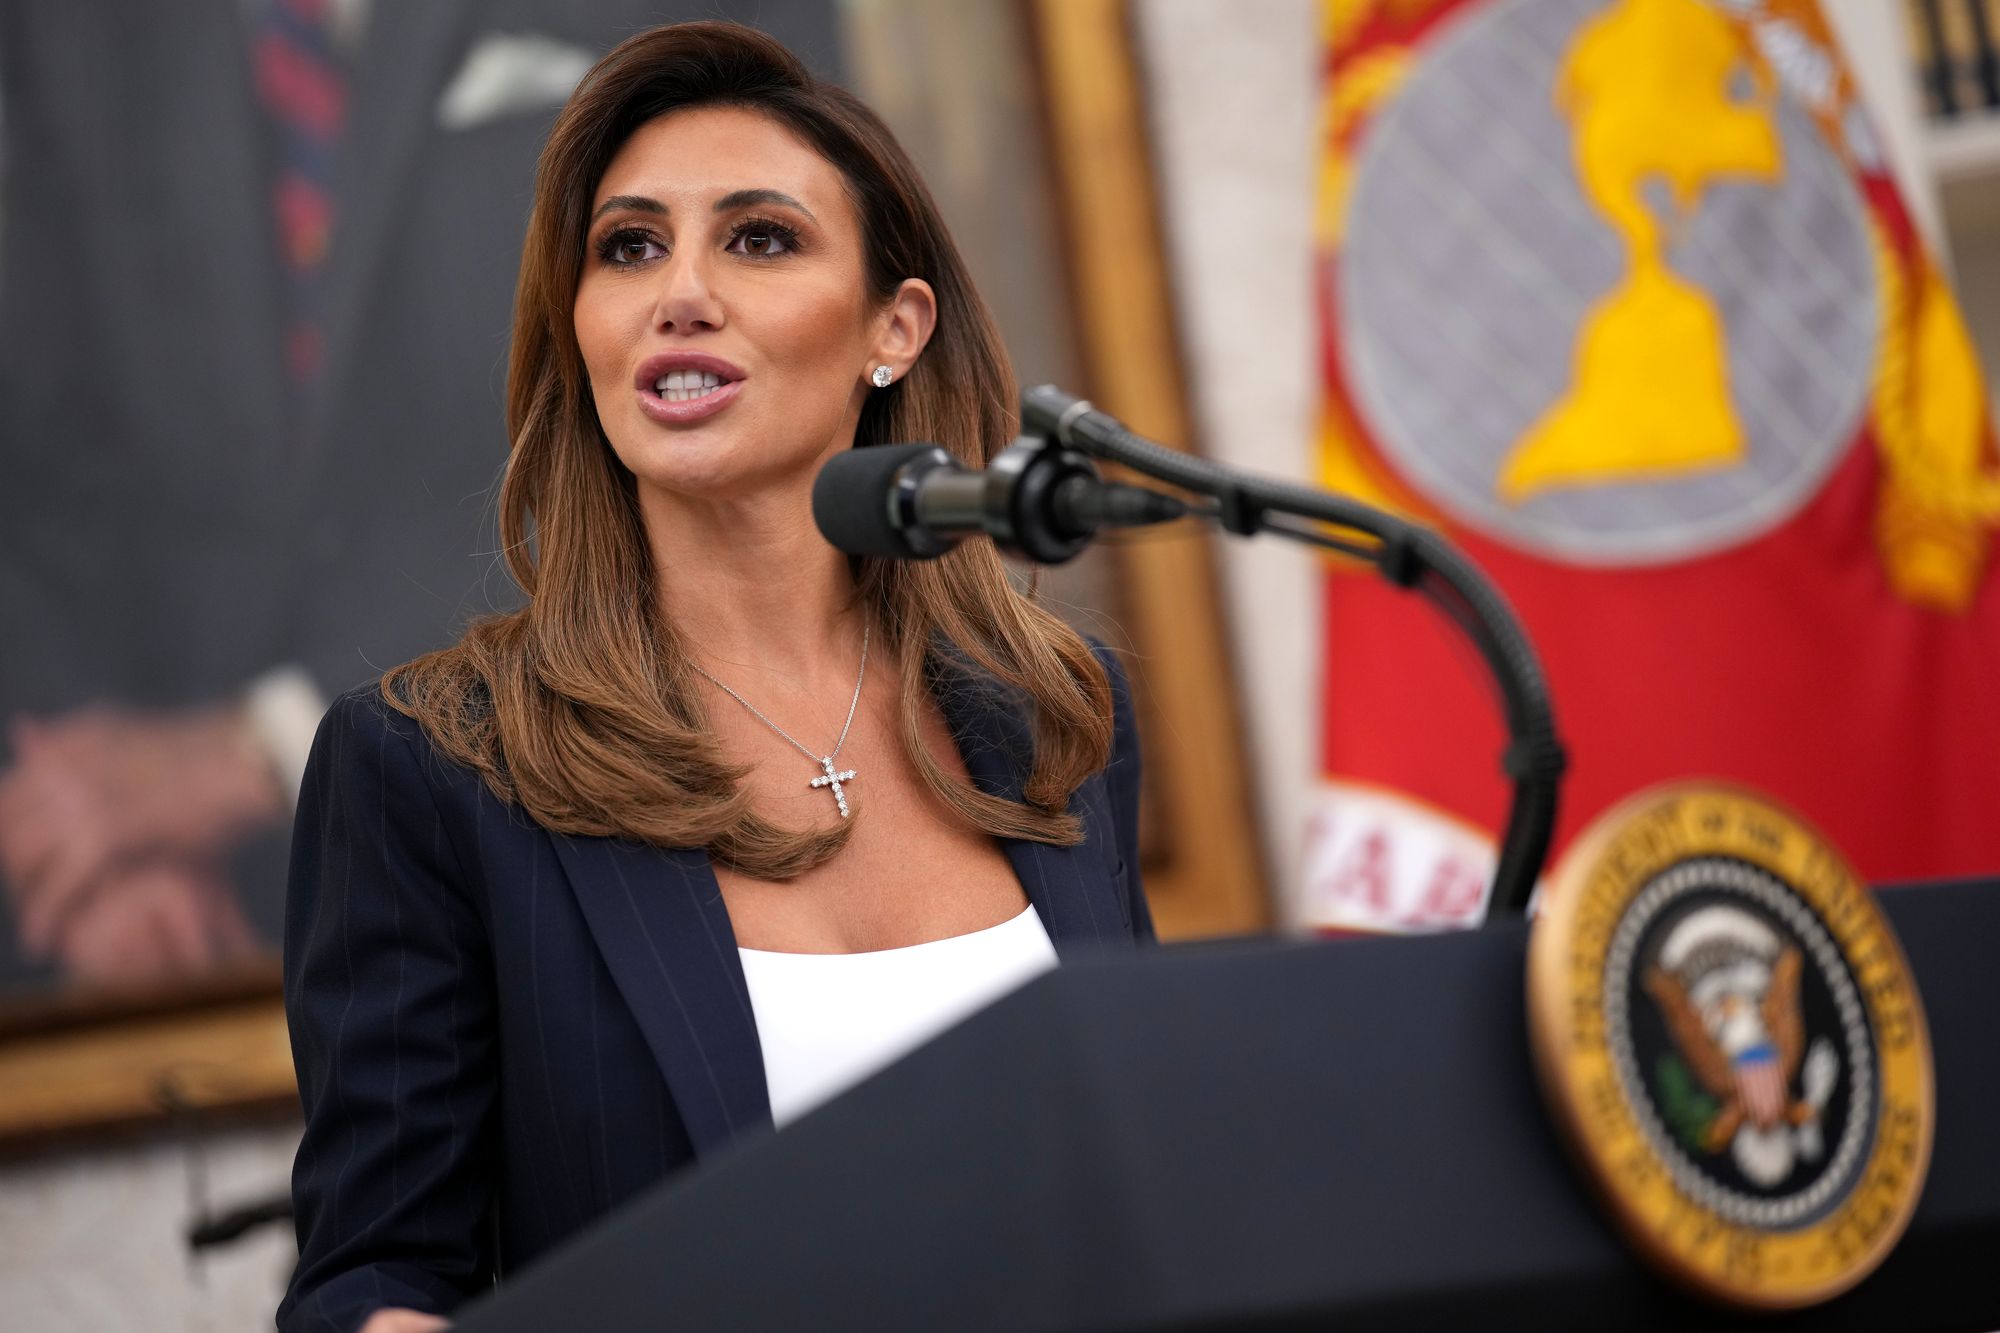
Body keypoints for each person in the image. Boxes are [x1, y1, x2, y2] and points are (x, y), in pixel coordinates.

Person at [279, 21, 1152, 1333]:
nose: (680, 290)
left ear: (893, 329)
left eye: (758, 238)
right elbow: (380, 1276)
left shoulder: (1053, 715)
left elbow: (1149, 1190)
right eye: (629, 247)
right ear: (581, 328)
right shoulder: (433, 767)